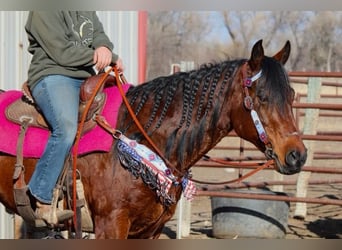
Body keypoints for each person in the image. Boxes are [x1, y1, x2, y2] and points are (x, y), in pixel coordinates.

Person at [25, 11, 124, 226]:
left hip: (86, 77)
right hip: (53, 75)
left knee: (120, 115)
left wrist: (105, 48)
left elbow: (99, 35)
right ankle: (40, 196)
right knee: (66, 128)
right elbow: (62, 53)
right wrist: (109, 58)